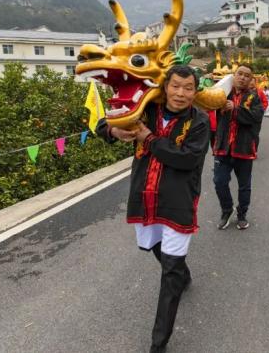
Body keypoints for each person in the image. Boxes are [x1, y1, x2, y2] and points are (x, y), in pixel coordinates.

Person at [96, 65, 210, 353]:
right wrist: (113, 130)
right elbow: (101, 123)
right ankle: (182, 273)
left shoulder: (199, 121)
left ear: (195, 92)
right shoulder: (145, 109)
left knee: (169, 273)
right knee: (157, 249)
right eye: (175, 86)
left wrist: (147, 138)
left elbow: (187, 159)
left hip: (179, 202)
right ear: (165, 87)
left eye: (188, 88)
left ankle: (158, 344)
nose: (181, 93)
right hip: (145, 197)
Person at [213, 64, 264, 230]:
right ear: (233, 75)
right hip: (223, 147)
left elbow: (256, 117)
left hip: (244, 148)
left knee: (244, 186)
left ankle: (242, 214)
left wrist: (235, 108)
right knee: (219, 181)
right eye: (239, 74)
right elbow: (208, 110)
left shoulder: (254, 97)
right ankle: (226, 210)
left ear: (251, 79)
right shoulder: (221, 94)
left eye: (246, 75)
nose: (242, 77)